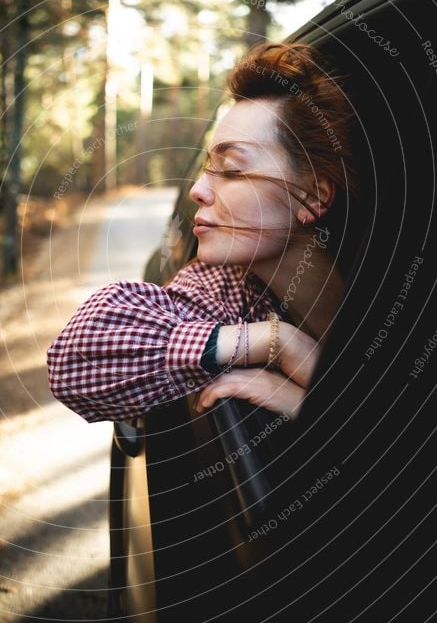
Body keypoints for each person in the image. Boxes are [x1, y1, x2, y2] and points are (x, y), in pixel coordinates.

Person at [47, 41, 362, 424]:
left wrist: (319, 406)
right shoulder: (226, 288)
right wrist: (277, 340)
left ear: (312, 197)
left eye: (230, 169)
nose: (197, 190)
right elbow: (74, 360)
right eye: (206, 167)